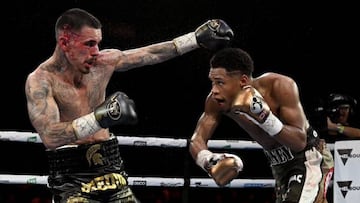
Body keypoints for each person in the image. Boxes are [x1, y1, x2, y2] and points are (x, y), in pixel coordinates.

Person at [25, 8, 234, 203]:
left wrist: (195, 39)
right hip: (71, 177)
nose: (96, 51)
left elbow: (151, 54)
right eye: (89, 44)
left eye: (98, 43)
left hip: (111, 167)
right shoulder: (41, 81)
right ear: (64, 42)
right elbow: (50, 136)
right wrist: (99, 118)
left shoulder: (102, 64)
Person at [189, 47, 334, 203]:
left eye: (220, 83)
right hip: (278, 165)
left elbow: (299, 142)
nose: (214, 90)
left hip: (309, 156)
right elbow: (197, 140)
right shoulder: (215, 101)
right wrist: (209, 160)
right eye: (212, 82)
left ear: (243, 81)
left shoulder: (279, 86)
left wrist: (264, 116)